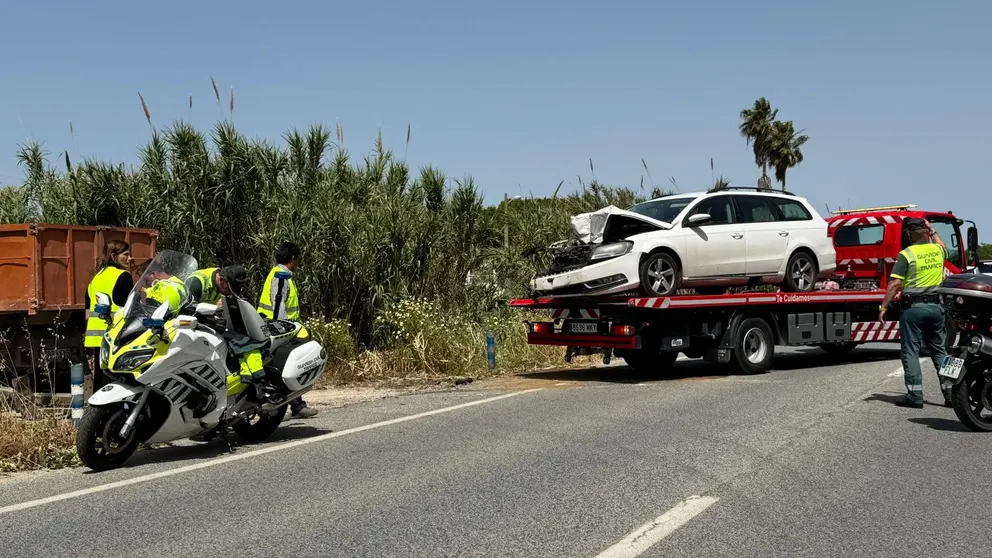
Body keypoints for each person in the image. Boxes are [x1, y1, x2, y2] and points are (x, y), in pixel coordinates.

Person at [879, 217, 952, 408]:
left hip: (913, 310)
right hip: (936, 308)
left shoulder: (907, 254)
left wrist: (884, 306)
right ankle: (951, 392)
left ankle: (915, 396)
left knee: (910, 350)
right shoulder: (937, 250)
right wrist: (933, 230)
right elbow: (942, 245)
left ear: (909, 234)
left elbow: (895, 284)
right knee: (939, 350)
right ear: (927, 232)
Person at [258, 242, 317, 418]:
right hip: (278, 329)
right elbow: (278, 306)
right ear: (292, 259)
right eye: (298, 260)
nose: (298, 264)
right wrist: (283, 329)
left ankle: (294, 405)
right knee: (285, 367)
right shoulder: (282, 276)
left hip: (272, 326)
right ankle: (283, 405)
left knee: (286, 367)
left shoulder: (277, 273)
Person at [84, 241, 133, 390]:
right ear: (114, 256)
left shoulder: (96, 277)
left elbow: (87, 310)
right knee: (119, 382)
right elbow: (130, 307)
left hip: (97, 338)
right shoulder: (123, 276)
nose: (130, 258)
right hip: (115, 336)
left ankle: (98, 412)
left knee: (101, 379)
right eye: (126, 255)